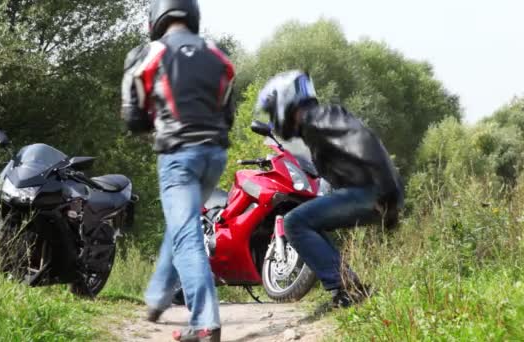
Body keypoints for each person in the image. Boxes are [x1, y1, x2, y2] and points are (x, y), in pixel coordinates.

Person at [120, 0, 235, 341]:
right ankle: (157, 298)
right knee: (180, 225)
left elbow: (133, 118)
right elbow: (227, 114)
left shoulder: (146, 54)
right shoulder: (219, 54)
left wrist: (154, 122)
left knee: (185, 233)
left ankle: (204, 324)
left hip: (177, 155)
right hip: (215, 155)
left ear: (157, 17)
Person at [255, 70, 404, 309]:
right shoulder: (315, 125)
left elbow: (365, 141)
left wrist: (386, 191)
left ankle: (346, 289)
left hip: (373, 190)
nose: (274, 118)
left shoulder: (318, 118)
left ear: (285, 103)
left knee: (294, 222)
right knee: (308, 221)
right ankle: (349, 285)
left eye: (273, 110)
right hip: (375, 189)